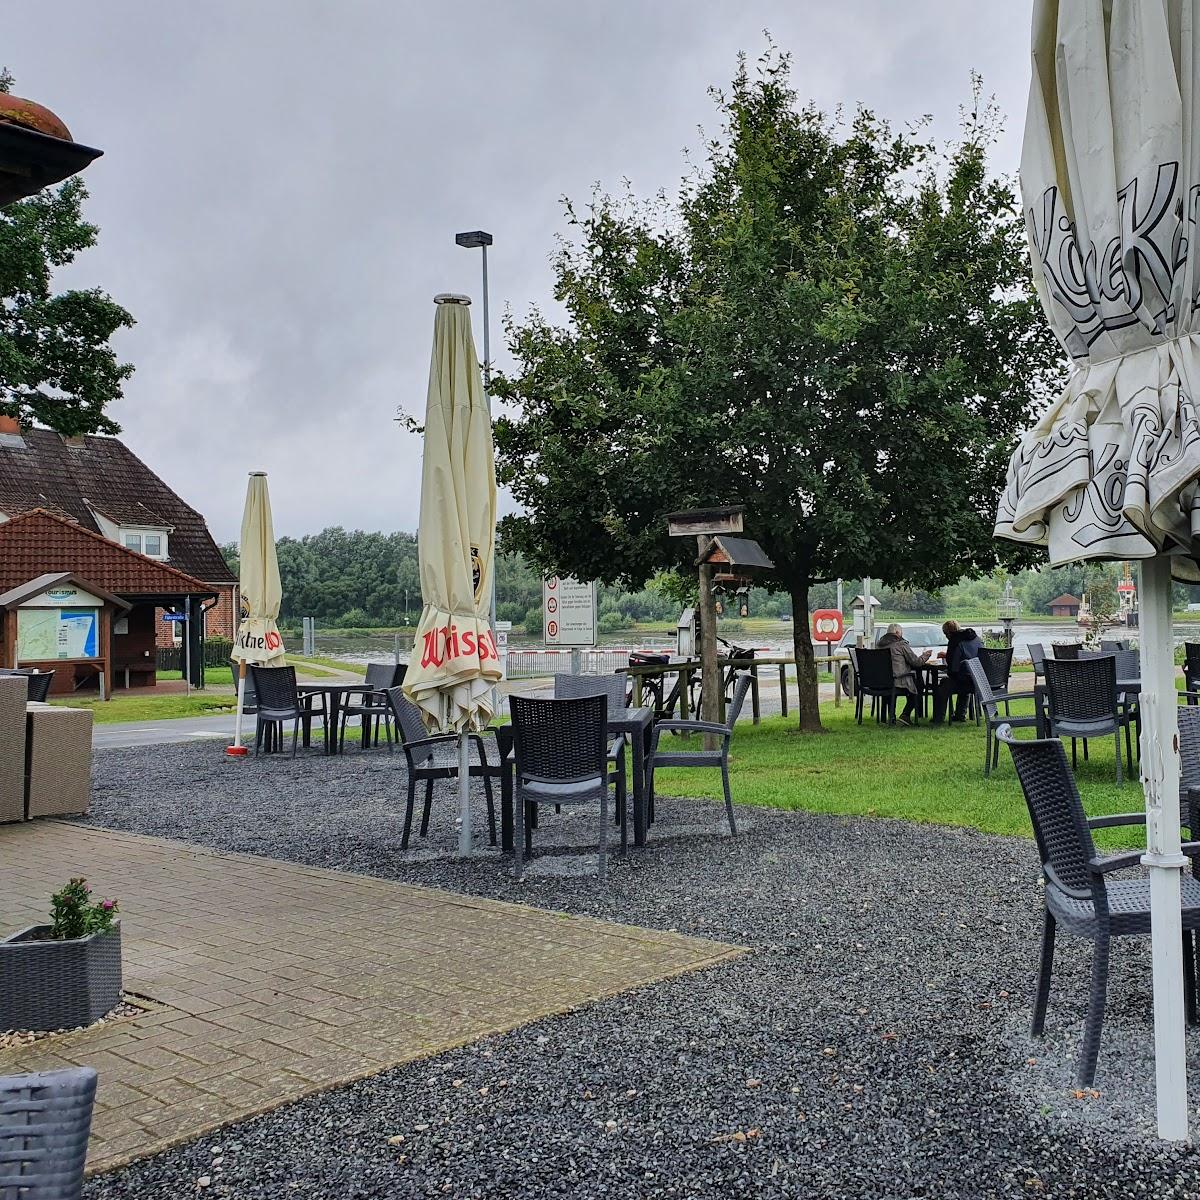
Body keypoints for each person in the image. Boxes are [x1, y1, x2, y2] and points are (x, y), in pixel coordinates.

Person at [877, 623, 931, 726]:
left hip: (882, 682)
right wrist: (926, 655)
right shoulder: (901, 645)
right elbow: (916, 662)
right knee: (919, 685)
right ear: (897, 632)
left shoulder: (879, 645)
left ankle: (891, 715)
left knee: (916, 683)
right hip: (898, 681)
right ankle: (906, 714)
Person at [931, 619, 983, 724]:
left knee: (944, 684)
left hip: (963, 681)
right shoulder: (977, 639)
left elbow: (953, 668)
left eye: (945, 634)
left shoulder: (955, 642)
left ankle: (938, 718)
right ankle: (960, 714)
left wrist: (947, 668)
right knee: (965, 679)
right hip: (978, 680)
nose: (946, 636)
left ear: (948, 633)